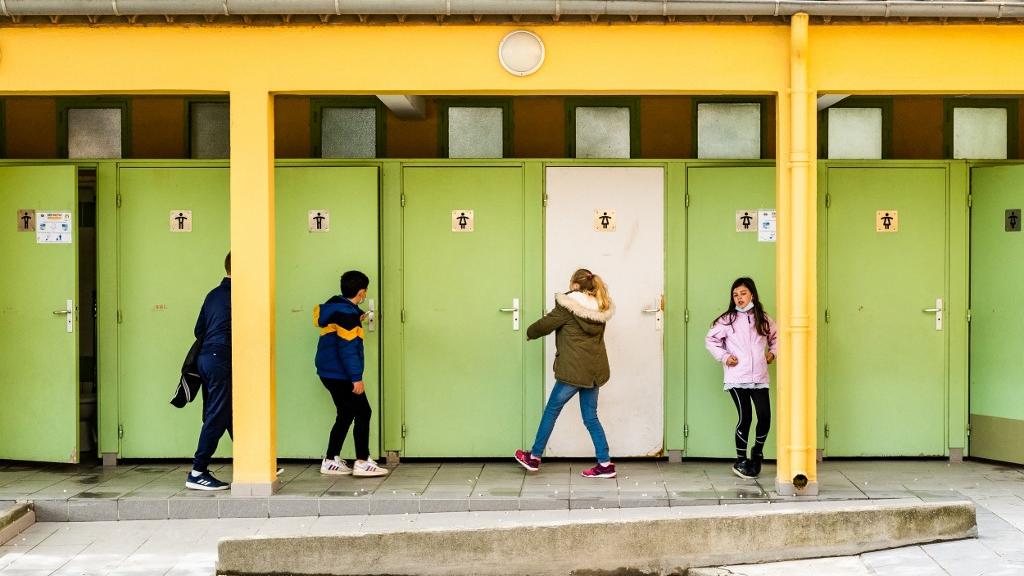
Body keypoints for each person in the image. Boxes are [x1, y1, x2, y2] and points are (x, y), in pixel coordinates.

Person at [514, 268, 617, 479]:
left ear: (575, 285)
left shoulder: (567, 305)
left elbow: (545, 325)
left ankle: (534, 457)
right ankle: (605, 463)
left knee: (552, 410)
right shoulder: (600, 307)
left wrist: (529, 332)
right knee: (591, 417)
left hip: (573, 371)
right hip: (594, 371)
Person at [314, 270, 388, 477]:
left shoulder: (337, 308)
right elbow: (347, 349)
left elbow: (343, 324)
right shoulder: (347, 316)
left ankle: (330, 460)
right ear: (362, 292)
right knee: (363, 412)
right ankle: (362, 461)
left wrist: (359, 316)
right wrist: (356, 378)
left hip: (328, 372)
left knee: (346, 413)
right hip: (341, 374)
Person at [705, 277, 778, 480]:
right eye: (735, 295)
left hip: (760, 377)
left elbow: (777, 337)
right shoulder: (727, 320)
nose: (739, 298)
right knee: (745, 417)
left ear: (752, 294)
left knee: (764, 417)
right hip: (737, 377)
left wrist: (773, 353)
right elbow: (710, 340)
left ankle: (757, 453)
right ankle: (740, 460)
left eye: (743, 293)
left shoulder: (763, 318)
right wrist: (725, 357)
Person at [186, 252, 233, 491]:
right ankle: (198, 470)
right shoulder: (239, 294)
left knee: (228, 412)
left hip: (207, 359)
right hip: (222, 358)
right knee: (217, 413)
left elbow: (199, 330)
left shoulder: (213, 294)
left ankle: (254, 460)